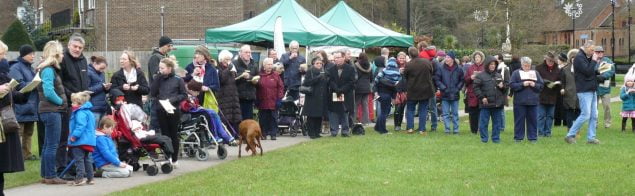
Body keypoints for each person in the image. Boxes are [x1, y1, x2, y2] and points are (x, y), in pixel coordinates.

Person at [36, 40, 68, 184]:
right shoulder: (48, 70)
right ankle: (50, 175)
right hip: (52, 111)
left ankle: (45, 175)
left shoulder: (46, 69)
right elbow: (48, 92)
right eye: (61, 53)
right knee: (52, 144)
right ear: (55, 54)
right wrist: (61, 102)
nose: (63, 56)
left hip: (47, 111)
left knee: (48, 144)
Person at [58, 33, 90, 175]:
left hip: (82, 104)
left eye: (80, 47)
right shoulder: (63, 59)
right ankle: (62, 167)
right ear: (69, 45)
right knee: (66, 136)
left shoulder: (83, 61)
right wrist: (70, 95)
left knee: (79, 136)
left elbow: (84, 81)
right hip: (68, 103)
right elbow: (59, 82)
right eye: (75, 46)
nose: (77, 49)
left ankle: (76, 167)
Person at [1, 40, 30, 194]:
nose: (4, 58)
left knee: (2, 163)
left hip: (4, 121)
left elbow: (11, 95)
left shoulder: (3, 74)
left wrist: (25, 91)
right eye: (2, 54)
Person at [150, 58, 187, 166]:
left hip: (173, 110)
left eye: (162, 68)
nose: (160, 70)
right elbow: (152, 92)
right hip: (161, 109)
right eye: (159, 68)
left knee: (173, 134)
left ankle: (175, 158)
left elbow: (183, 95)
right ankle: (167, 157)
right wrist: (157, 78)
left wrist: (172, 100)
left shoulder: (178, 79)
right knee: (164, 135)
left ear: (169, 68)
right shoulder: (159, 78)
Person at [565, 40, 601, 144]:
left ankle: (591, 138)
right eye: (592, 49)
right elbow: (587, 72)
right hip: (584, 90)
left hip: (592, 89)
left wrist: (598, 69)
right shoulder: (579, 58)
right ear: (586, 47)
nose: (593, 52)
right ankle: (570, 135)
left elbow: (591, 71)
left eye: (594, 50)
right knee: (586, 114)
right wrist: (594, 61)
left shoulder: (586, 57)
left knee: (594, 115)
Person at [8, 45, 39, 160]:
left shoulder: (30, 68)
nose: (33, 56)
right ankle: (17, 155)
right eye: (30, 54)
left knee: (29, 132)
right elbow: (19, 84)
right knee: (19, 132)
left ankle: (27, 154)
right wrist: (34, 83)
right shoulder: (15, 67)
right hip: (21, 105)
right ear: (23, 54)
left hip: (31, 105)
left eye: (33, 53)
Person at [474, 56, 508, 143]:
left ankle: (496, 139)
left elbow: (504, 89)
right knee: (483, 124)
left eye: (494, 64)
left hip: (497, 104)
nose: (493, 66)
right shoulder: (480, 76)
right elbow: (476, 88)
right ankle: (484, 139)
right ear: (487, 65)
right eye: (491, 64)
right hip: (485, 104)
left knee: (497, 124)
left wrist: (502, 86)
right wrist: (482, 97)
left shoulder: (498, 75)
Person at [510, 57, 544, 142]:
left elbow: (541, 86)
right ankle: (518, 138)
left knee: (533, 120)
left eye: (529, 66)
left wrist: (534, 85)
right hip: (519, 102)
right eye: (525, 66)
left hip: (533, 102)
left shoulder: (535, 73)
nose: (527, 68)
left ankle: (532, 138)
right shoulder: (516, 73)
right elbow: (512, 85)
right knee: (519, 121)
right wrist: (522, 84)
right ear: (521, 65)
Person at [404, 47, 436, 135]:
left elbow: (405, 76)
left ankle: (410, 128)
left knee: (410, 109)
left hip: (412, 89)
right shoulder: (427, 62)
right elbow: (431, 72)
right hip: (425, 89)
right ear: (418, 52)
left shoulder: (409, 64)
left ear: (409, 54)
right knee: (423, 110)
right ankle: (422, 129)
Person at [67, 91, 96, 186]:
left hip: (80, 141)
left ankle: (79, 178)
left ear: (79, 103)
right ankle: (90, 178)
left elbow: (80, 126)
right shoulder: (89, 112)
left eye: (73, 102)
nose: (72, 104)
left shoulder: (80, 113)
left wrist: (74, 136)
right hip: (89, 141)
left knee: (79, 159)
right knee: (87, 159)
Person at [327, 52, 355, 137]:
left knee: (345, 112)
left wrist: (342, 90)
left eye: (338, 57)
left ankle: (345, 131)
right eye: (335, 58)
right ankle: (334, 131)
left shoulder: (350, 69)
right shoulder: (331, 69)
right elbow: (330, 81)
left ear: (343, 58)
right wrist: (336, 89)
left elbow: (351, 82)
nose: (337, 59)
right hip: (335, 93)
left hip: (346, 94)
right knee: (334, 113)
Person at [435, 51, 464, 134]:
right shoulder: (441, 68)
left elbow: (462, 80)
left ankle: (456, 129)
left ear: (452, 59)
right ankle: (447, 129)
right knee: (446, 114)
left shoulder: (459, 68)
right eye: (446, 57)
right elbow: (437, 79)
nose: (446, 59)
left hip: (455, 94)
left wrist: (458, 88)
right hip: (445, 94)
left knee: (455, 113)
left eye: (448, 57)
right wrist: (443, 88)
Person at [256, 58, 284, 140]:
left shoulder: (276, 76)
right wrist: (256, 99)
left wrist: (279, 99)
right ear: (264, 66)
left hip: (273, 101)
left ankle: (273, 134)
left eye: (271, 64)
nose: (270, 66)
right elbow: (256, 88)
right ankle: (263, 133)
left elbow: (281, 87)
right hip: (262, 101)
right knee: (263, 118)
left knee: (273, 118)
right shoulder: (259, 76)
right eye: (268, 64)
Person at [302, 57, 329, 139]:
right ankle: (311, 133)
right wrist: (318, 78)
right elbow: (306, 83)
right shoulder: (310, 71)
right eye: (317, 63)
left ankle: (317, 132)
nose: (319, 65)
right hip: (312, 96)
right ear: (313, 64)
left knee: (319, 115)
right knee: (311, 116)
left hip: (322, 96)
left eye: (320, 63)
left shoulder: (324, 72)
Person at [216, 50, 242, 136]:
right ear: (221, 59)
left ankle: (235, 135)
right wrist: (228, 69)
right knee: (225, 117)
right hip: (224, 97)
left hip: (233, 96)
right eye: (226, 59)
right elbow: (221, 79)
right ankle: (226, 136)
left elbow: (234, 80)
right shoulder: (218, 68)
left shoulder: (231, 68)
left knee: (235, 117)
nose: (228, 61)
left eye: (229, 59)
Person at [536, 52, 561, 137]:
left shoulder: (558, 69)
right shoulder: (539, 68)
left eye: (552, 61)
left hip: (553, 95)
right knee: (541, 115)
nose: (551, 62)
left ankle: (548, 132)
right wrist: (544, 81)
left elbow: (561, 79)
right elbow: (536, 80)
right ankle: (540, 132)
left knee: (550, 116)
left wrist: (558, 83)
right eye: (549, 60)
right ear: (545, 59)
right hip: (541, 95)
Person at [373, 58, 401, 134]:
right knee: (385, 112)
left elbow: (375, 82)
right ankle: (383, 130)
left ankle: (377, 127)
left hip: (381, 94)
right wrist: (394, 97)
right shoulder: (397, 74)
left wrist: (375, 92)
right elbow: (396, 87)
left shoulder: (383, 72)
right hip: (388, 95)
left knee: (383, 111)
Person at [233, 45, 259, 120]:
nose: (248, 54)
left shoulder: (254, 64)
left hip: (249, 97)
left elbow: (258, 78)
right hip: (238, 98)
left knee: (248, 120)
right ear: (240, 53)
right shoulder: (234, 64)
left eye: (249, 52)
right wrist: (241, 75)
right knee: (238, 120)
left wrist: (251, 78)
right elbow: (231, 78)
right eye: (246, 52)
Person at [594, 46, 615, 129]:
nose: (599, 53)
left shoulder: (608, 61)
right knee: (594, 108)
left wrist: (603, 76)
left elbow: (612, 71)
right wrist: (596, 77)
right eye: (597, 52)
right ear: (594, 53)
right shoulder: (591, 60)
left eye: (601, 52)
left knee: (607, 107)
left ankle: (607, 123)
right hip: (594, 87)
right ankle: (594, 123)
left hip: (605, 87)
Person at [465, 51, 485, 134]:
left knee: (482, 113)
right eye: (476, 57)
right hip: (472, 93)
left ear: (481, 58)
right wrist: (471, 78)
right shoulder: (470, 68)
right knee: (473, 113)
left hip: (482, 92)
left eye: (478, 57)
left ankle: (481, 129)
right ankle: (473, 130)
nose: (477, 59)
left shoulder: (485, 68)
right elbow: (465, 80)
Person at [87, 56, 111, 127]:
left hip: (103, 108)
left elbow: (102, 88)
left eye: (103, 69)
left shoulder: (102, 73)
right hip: (93, 108)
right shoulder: (88, 73)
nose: (102, 70)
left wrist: (107, 88)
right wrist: (102, 86)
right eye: (101, 68)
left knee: (102, 131)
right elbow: (87, 90)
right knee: (93, 131)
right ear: (95, 64)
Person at [561, 49, 580, 129]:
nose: (574, 59)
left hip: (579, 94)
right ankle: (570, 130)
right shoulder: (565, 69)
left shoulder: (581, 69)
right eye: (573, 58)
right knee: (569, 113)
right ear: (570, 59)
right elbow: (562, 82)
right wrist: (562, 89)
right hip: (569, 94)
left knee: (578, 112)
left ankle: (576, 129)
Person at [354, 53, 372, 125]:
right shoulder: (370, 65)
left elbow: (355, 77)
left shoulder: (356, 65)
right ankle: (365, 121)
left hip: (358, 87)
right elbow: (371, 77)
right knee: (365, 104)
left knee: (356, 104)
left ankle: (354, 120)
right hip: (367, 87)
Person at [393, 52, 408, 131]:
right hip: (397, 90)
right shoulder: (394, 66)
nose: (402, 59)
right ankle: (396, 125)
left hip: (405, 90)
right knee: (397, 108)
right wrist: (398, 71)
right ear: (397, 58)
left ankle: (399, 124)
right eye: (400, 58)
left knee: (402, 108)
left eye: (403, 58)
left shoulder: (407, 66)